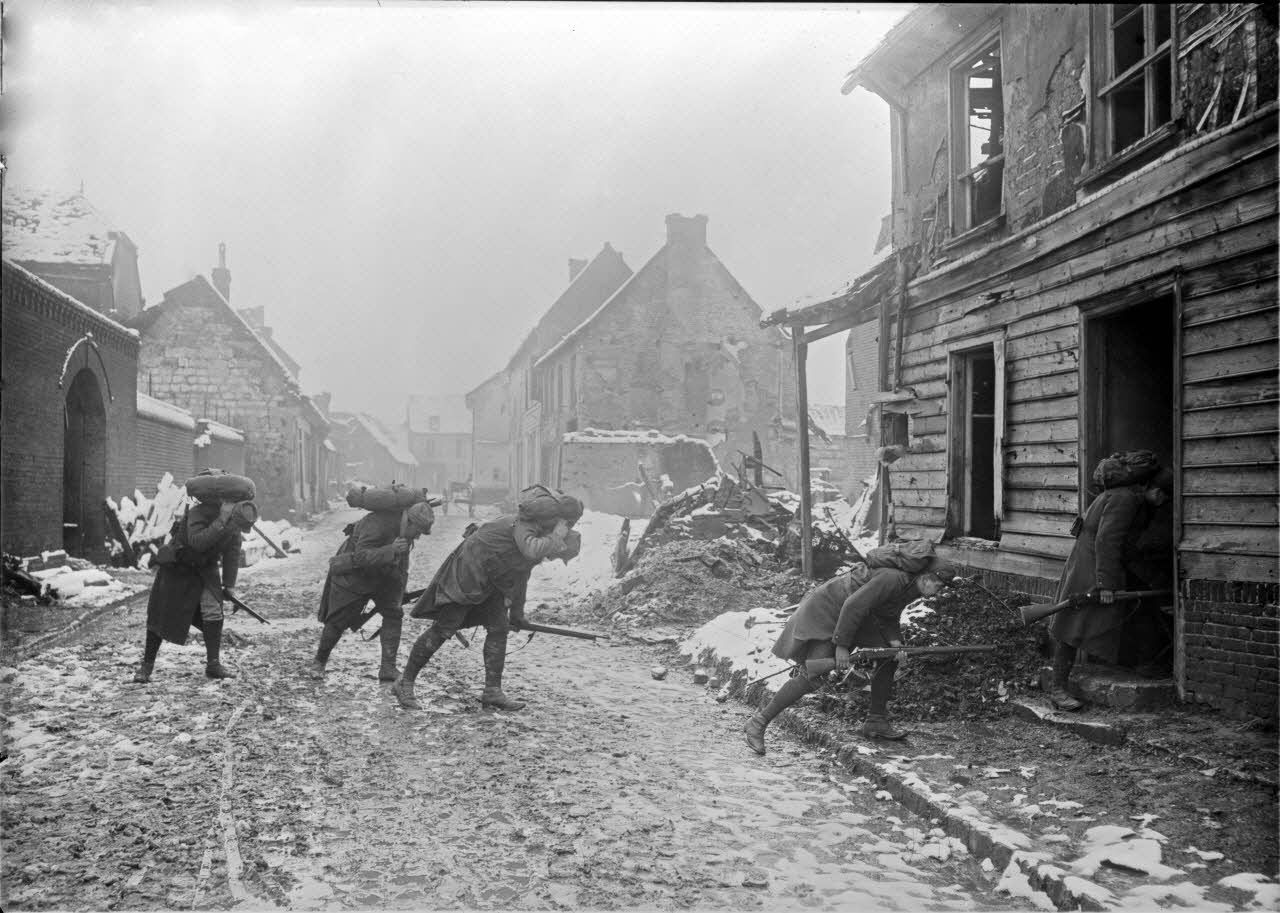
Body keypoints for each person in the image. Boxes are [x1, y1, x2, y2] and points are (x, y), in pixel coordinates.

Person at [392, 495, 582, 712]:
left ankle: (492, 691)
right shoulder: (529, 526)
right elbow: (530, 552)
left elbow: (521, 575)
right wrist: (556, 538)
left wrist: (517, 614)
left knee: (499, 628)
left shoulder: (542, 536)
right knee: (445, 627)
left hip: (492, 577)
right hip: (470, 571)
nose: (554, 559)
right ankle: (404, 682)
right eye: (558, 555)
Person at [744, 565, 947, 753]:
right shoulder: (892, 579)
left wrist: (895, 642)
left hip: (852, 617)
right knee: (812, 676)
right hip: (827, 611)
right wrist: (841, 646)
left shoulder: (911, 588)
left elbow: (887, 615)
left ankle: (876, 721)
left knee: (888, 655)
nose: (939, 591)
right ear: (927, 579)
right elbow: (852, 605)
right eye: (938, 585)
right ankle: (759, 722)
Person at [1047, 467, 1175, 710]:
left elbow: (1124, 547)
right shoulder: (1126, 500)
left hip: (1094, 562)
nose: (1162, 503)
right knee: (1073, 624)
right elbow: (1107, 541)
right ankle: (1058, 688)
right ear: (1156, 491)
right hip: (1091, 564)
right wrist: (1106, 584)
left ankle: (1138, 664)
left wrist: (1155, 580)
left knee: (1086, 620)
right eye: (1163, 497)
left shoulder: (1125, 496)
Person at [133, 497, 256, 683]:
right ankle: (146, 666)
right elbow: (198, 542)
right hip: (178, 566)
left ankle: (213, 664)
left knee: (213, 611)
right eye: (236, 524)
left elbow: (232, 553)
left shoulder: (234, 526)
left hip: (206, 568)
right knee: (161, 615)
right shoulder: (199, 512)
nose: (237, 529)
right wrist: (221, 520)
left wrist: (229, 585)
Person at [309, 501, 435, 681]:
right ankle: (319, 663)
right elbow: (360, 557)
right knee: (338, 620)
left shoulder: (406, 534)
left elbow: (402, 563)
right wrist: (391, 549)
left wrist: (399, 592)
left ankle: (388, 668)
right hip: (353, 573)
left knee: (393, 613)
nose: (418, 537)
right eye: (417, 531)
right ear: (409, 522)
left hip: (382, 574)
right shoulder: (377, 523)